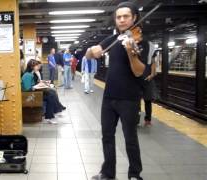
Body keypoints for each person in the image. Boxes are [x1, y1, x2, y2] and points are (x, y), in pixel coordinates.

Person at [87, 2, 149, 180]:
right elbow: (88, 54)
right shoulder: (112, 39)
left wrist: (131, 53)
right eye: (118, 17)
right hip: (109, 97)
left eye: (126, 16)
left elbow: (138, 71)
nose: (121, 20)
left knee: (130, 139)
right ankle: (107, 173)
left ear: (134, 18)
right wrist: (92, 51)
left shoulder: (141, 41)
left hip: (129, 98)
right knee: (107, 136)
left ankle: (134, 174)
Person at [22, 59, 65, 124]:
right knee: (50, 95)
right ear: (31, 67)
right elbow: (28, 89)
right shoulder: (27, 75)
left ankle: (52, 114)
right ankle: (50, 117)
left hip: (33, 94)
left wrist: (39, 85)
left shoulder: (30, 74)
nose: (38, 67)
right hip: (29, 96)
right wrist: (38, 86)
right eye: (36, 66)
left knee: (51, 93)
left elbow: (32, 86)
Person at [140, 42, 158, 127]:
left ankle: (148, 120)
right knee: (136, 102)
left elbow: (153, 62)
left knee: (148, 101)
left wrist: (152, 74)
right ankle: (136, 119)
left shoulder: (150, 47)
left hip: (148, 80)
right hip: (138, 80)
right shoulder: (135, 45)